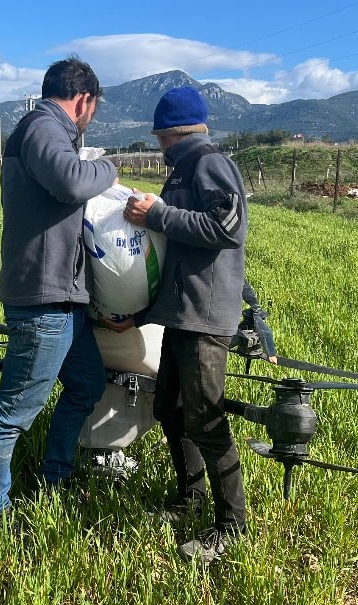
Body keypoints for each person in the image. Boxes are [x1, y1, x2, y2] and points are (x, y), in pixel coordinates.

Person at [0, 56, 118, 519]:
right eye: (94, 107)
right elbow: (72, 182)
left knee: (86, 384)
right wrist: (109, 168)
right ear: (84, 100)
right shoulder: (41, 127)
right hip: (44, 298)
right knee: (14, 410)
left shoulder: (50, 131)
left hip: (64, 296)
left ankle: (56, 475)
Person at [122, 86, 249, 563]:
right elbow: (175, 255)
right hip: (181, 314)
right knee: (171, 412)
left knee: (206, 419)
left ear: (166, 133)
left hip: (203, 317)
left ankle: (232, 528)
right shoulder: (185, 168)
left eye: (157, 135)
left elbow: (226, 229)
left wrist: (159, 212)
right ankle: (190, 497)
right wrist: (138, 315)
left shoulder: (208, 162)